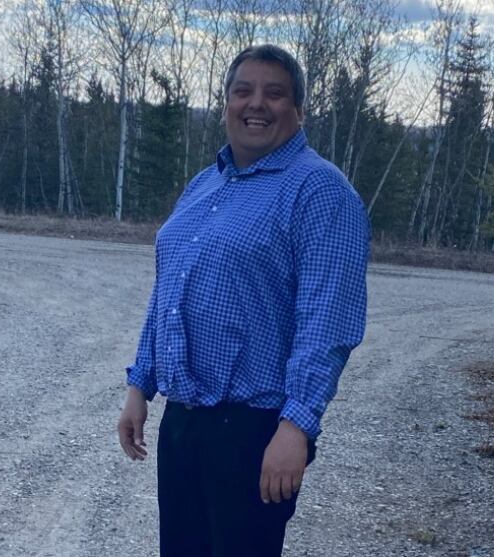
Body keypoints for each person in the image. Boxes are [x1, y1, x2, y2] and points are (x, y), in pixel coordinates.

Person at [117, 44, 369, 557]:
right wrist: (140, 383)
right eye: (243, 91)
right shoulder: (206, 184)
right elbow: (168, 289)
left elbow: (327, 321)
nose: (257, 104)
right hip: (185, 423)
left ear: (298, 109)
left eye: (275, 93)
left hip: (254, 431)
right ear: (226, 102)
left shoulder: (321, 192)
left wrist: (296, 427)